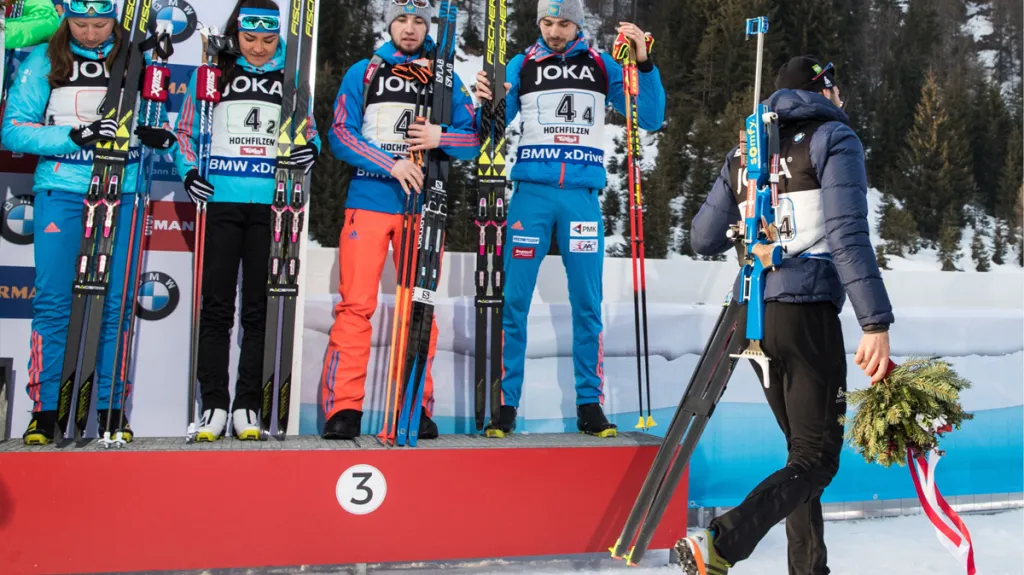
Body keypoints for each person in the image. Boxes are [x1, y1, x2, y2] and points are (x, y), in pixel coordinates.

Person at [675, 56, 894, 575]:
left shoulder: (745, 151)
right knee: (816, 461)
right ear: (826, 91)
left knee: (801, 460)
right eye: (838, 90)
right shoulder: (834, 139)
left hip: (753, 321)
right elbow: (848, 235)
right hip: (807, 316)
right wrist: (875, 323)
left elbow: (702, 238)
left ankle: (809, 570)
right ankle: (722, 543)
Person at [474, 0, 666, 438]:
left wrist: (644, 62)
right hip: (532, 197)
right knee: (514, 303)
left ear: (578, 24)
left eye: (563, 23)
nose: (555, 31)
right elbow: (490, 130)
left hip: (580, 198)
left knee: (586, 305)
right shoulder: (522, 63)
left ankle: (589, 404)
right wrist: (484, 100)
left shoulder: (600, 64)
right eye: (547, 22)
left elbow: (650, 117)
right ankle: (506, 406)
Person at [2, 0, 176, 445]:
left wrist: (155, 133)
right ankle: (44, 410)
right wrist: (74, 136)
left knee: (115, 307)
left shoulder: (137, 54)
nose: (91, 33)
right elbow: (13, 130)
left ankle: (110, 408)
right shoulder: (48, 57)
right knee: (54, 302)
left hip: (122, 189)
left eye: (100, 24)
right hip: (62, 189)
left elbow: (156, 119)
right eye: (81, 24)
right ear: (67, 18)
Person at [318, 0, 480, 440]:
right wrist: (390, 163)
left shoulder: (445, 77)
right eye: (402, 19)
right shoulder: (364, 72)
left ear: (429, 26)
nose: (409, 29)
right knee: (356, 306)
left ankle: (416, 404)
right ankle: (344, 408)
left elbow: (472, 140)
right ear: (388, 23)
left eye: (418, 21)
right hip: (370, 200)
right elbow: (340, 133)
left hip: (422, 208)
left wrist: (438, 136)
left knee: (419, 306)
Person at [173, 0, 321, 441]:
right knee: (217, 307)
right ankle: (213, 405)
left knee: (259, 310)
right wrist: (189, 171)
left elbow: (307, 133)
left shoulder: (290, 79)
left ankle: (247, 406)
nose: (258, 48)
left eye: (268, 40)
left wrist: (309, 153)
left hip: (271, 206)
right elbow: (185, 131)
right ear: (236, 34)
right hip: (222, 202)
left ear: (280, 38)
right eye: (250, 38)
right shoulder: (215, 72)